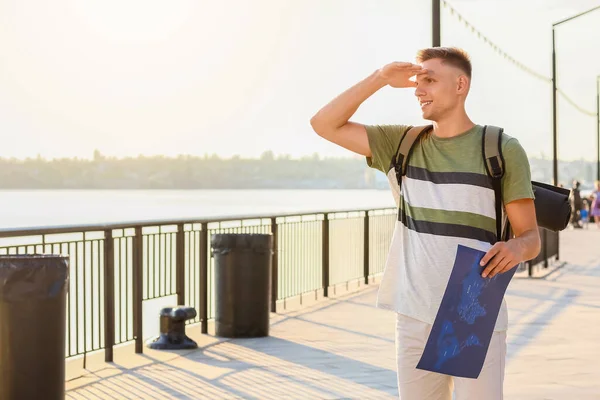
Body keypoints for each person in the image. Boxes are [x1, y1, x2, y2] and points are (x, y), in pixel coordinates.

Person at [310, 47, 541, 400]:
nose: (419, 89)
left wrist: (515, 247)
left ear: (461, 84)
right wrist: (380, 79)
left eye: (429, 80)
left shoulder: (501, 148)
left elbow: (531, 237)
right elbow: (323, 123)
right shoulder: (402, 144)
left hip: (472, 308)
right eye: (418, 81)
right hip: (414, 313)